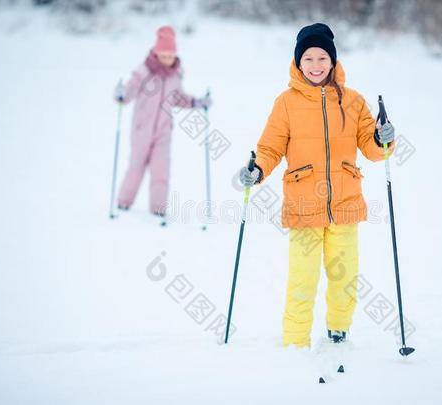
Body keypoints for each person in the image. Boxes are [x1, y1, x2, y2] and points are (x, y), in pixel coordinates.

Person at [240, 23, 396, 348]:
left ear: (333, 61)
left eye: (322, 57)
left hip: (345, 204)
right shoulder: (286, 103)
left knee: (345, 277)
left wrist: (384, 138)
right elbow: (270, 147)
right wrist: (258, 169)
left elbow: (371, 146)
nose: (315, 65)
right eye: (308, 58)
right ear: (298, 63)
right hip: (303, 205)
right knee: (302, 280)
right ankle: (295, 341)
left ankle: (339, 328)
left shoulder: (353, 101)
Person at [113, 26, 211, 217]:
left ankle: (158, 208)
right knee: (136, 166)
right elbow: (128, 93)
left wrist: (197, 102)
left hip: (163, 132)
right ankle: (123, 202)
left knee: (161, 170)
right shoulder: (143, 72)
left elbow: (178, 98)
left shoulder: (175, 75)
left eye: (171, 55)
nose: (168, 59)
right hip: (141, 129)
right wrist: (121, 94)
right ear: (156, 53)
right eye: (164, 55)